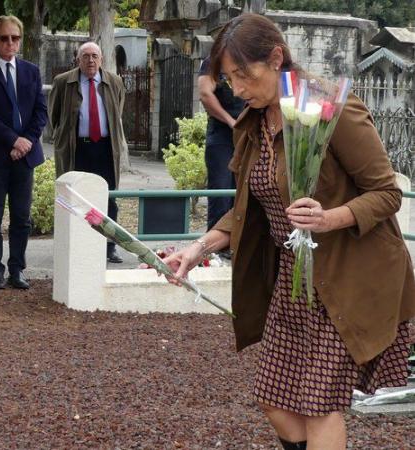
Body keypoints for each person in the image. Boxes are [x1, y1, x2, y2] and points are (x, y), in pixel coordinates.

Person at [162, 14, 415, 450]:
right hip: (292, 283)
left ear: (276, 58)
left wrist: (329, 218)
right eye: (229, 78)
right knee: (274, 398)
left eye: (244, 74)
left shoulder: (331, 109)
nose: (237, 89)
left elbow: (386, 193)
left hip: (347, 278)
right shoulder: (255, 122)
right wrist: (197, 249)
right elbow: (247, 210)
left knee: (318, 405)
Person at [0, 15, 47, 290]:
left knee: (21, 217)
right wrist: (12, 140)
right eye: (4, 38)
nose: (10, 43)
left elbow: (40, 112)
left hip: (24, 157)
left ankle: (17, 269)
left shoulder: (31, 71)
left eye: (15, 38)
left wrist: (25, 141)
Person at [49, 41, 127, 264]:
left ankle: (109, 245)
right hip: (77, 149)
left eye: (95, 56)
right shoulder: (64, 82)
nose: (90, 60)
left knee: (108, 197)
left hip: (105, 148)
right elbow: (54, 117)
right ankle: (75, 245)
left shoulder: (114, 82)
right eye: (86, 56)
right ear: (78, 59)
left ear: (101, 59)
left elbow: (116, 112)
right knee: (75, 197)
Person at [197, 55, 244, 231]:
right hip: (222, 137)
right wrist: (232, 122)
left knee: (243, 195)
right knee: (221, 195)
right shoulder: (213, 62)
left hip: (248, 136)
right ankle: (215, 249)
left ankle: (236, 244)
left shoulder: (251, 60)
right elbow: (205, 94)